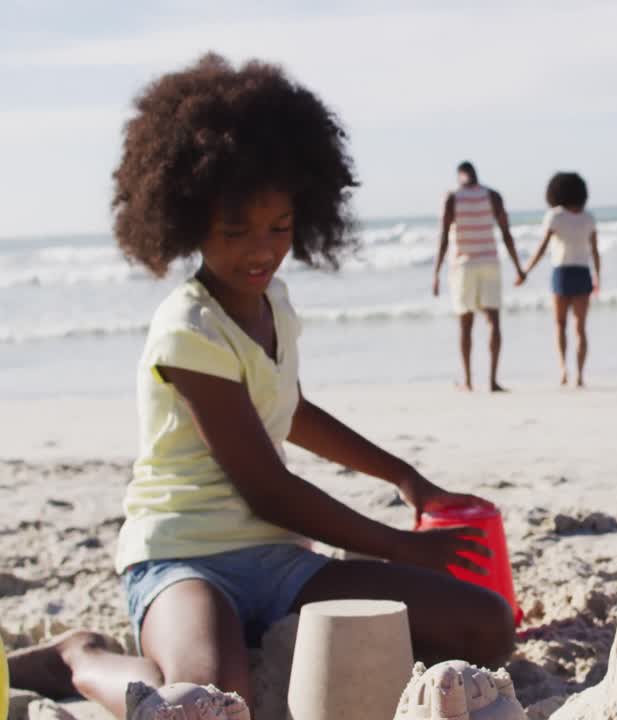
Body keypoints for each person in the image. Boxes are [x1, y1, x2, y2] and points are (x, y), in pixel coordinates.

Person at [6, 54, 515, 718]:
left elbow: (290, 408)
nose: (261, 250)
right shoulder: (188, 329)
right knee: (212, 701)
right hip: (184, 558)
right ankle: (83, 657)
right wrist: (393, 544)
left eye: (279, 228)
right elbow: (265, 487)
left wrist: (406, 479)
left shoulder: (272, 303)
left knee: (487, 625)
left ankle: (255, 637)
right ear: (187, 222)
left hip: (278, 560)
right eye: (235, 230)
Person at [432, 162, 526, 392]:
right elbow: (506, 234)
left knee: (465, 323)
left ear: (459, 176)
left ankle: (468, 380)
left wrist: (436, 273)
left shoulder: (452, 197)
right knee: (493, 319)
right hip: (490, 262)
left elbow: (444, 237)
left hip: (464, 264)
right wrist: (518, 267)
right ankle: (492, 380)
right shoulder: (492, 196)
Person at [518, 172, 601, 387]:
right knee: (580, 328)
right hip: (583, 272)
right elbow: (595, 251)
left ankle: (564, 368)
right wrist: (598, 276)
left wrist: (525, 271)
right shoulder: (588, 217)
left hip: (562, 272)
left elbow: (542, 248)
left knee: (560, 325)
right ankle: (580, 375)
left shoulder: (555, 216)